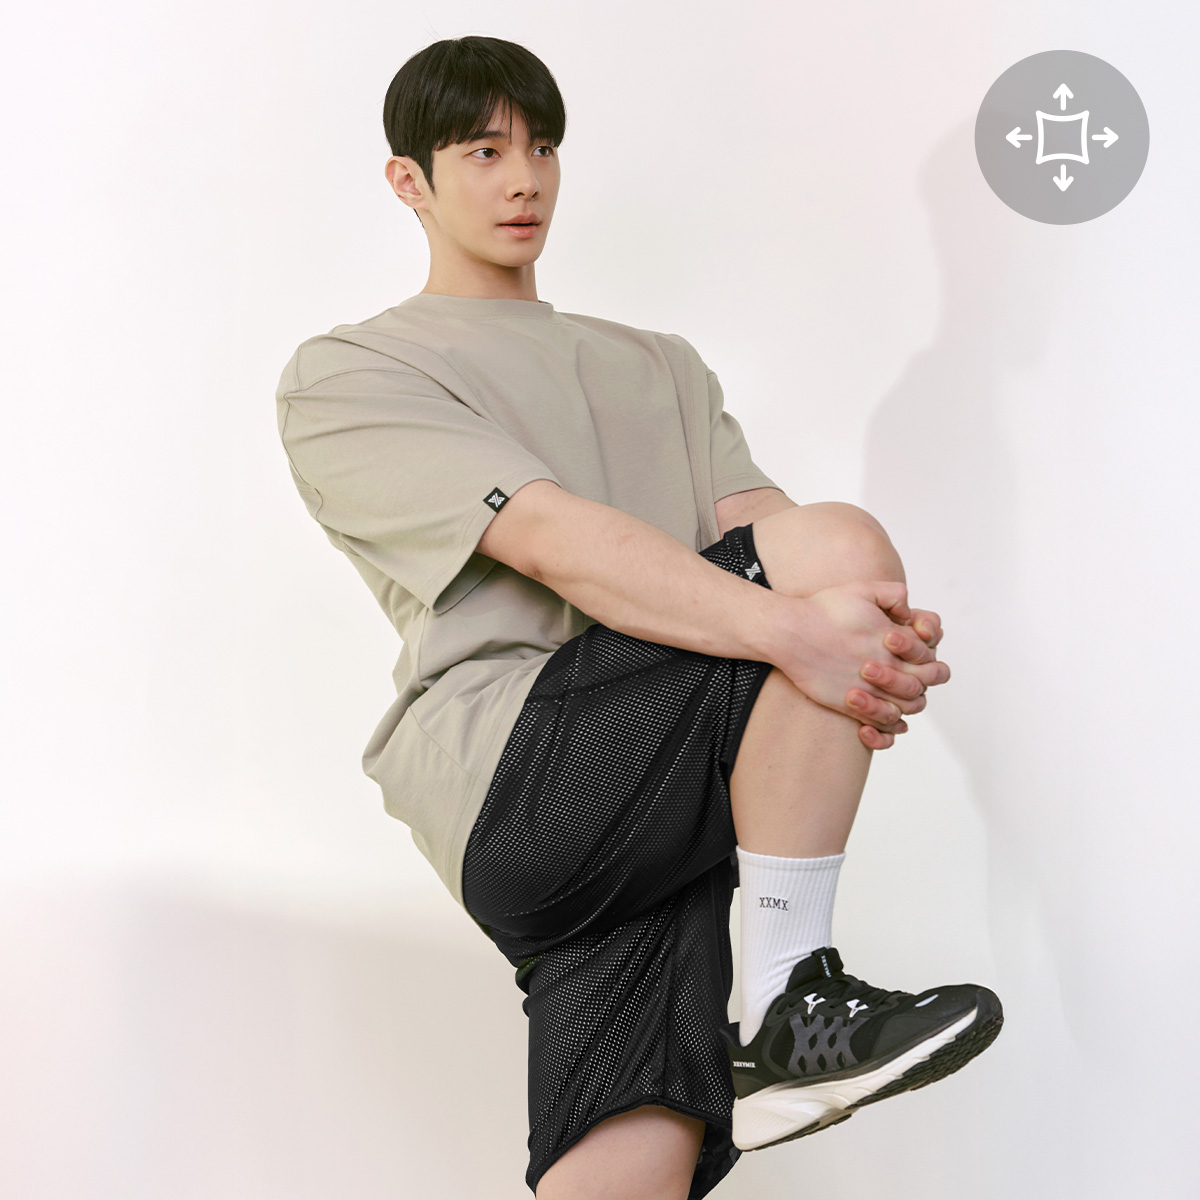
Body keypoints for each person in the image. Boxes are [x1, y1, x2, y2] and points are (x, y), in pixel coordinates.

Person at [273, 35, 1003, 1200]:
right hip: (524, 779)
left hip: (669, 803)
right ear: (409, 180)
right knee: (837, 558)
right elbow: (554, 541)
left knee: (625, 1168)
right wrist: (805, 636)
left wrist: (867, 643)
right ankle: (789, 994)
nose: (525, 179)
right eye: (484, 152)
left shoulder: (660, 365)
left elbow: (766, 530)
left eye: (543, 148)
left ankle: (776, 1022)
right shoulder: (355, 370)